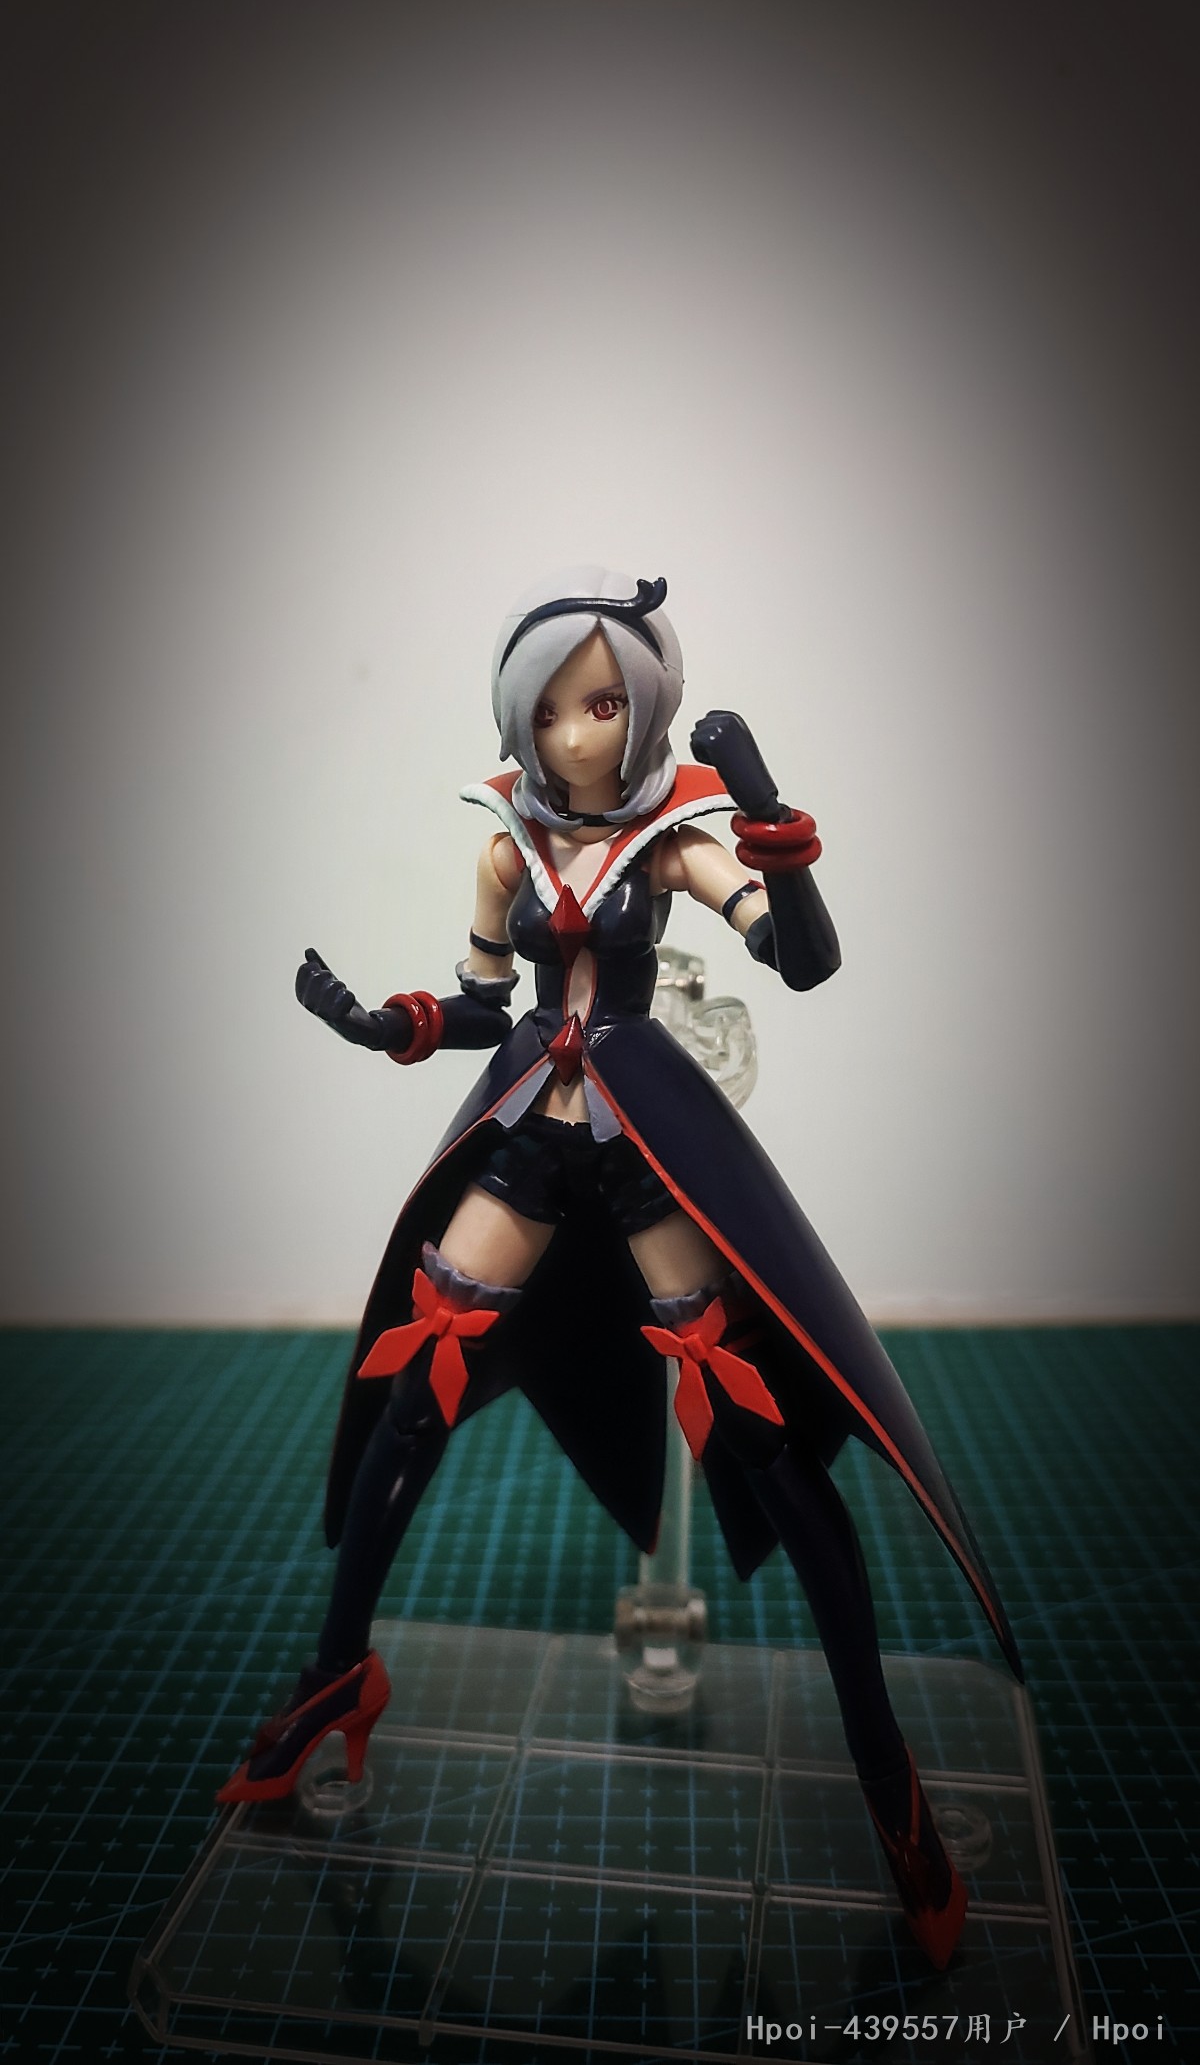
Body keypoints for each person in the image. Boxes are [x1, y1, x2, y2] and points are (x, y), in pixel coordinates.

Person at [218, 565, 1020, 1969]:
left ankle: (885, 1771)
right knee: (422, 1374)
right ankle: (338, 1669)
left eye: (595, 705)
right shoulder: (508, 845)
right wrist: (387, 1024)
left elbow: (804, 962)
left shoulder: (670, 844)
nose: (569, 732)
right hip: (535, 1128)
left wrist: (772, 828)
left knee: (755, 1429)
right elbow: (483, 1005)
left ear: (642, 709)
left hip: (644, 1135)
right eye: (546, 708)